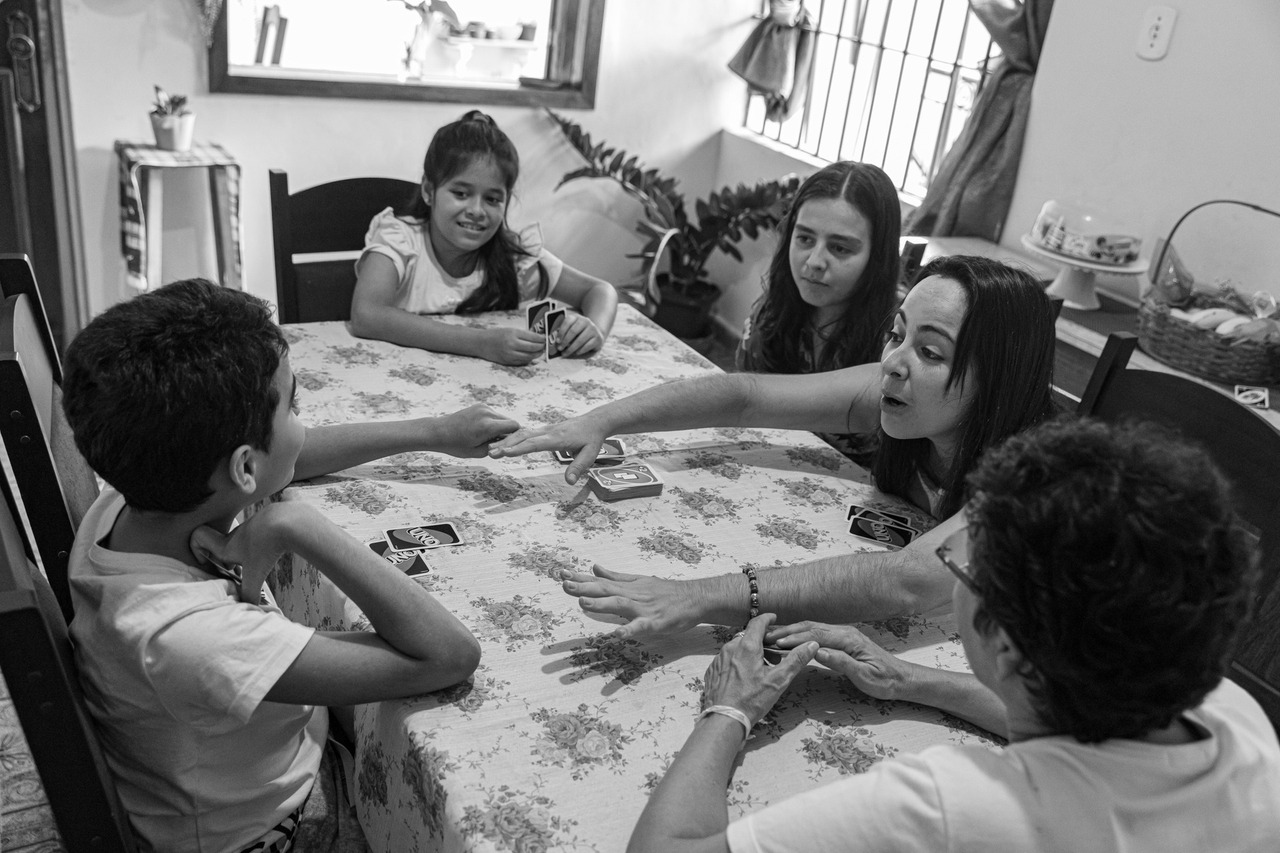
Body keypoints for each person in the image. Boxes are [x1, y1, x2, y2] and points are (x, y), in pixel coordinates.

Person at [627, 417, 1280, 853]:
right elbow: (1083, 742)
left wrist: (728, 709)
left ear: (1005, 644)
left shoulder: (959, 805)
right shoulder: (1235, 717)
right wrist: (909, 677)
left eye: (964, 564)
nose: (952, 569)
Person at [61, 279, 513, 852]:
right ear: (244, 468)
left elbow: (286, 456)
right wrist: (291, 524)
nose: (304, 420)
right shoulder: (190, 638)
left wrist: (433, 432)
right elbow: (449, 655)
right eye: (294, 404)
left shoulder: (135, 495)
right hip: (276, 830)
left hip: (232, 760)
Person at [488, 254, 1058, 632]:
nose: (892, 362)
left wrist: (703, 595)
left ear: (998, 382)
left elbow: (906, 579)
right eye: (897, 333)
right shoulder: (899, 389)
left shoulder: (1033, 478)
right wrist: (605, 420)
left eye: (930, 352)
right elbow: (746, 396)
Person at [349, 109, 618, 365]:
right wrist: (481, 343)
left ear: (506, 202)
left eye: (492, 199)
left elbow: (600, 291)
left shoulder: (516, 260)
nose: (476, 211)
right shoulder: (399, 241)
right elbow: (366, 315)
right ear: (429, 191)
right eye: (461, 194)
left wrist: (593, 329)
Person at [736, 161, 901, 464]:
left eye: (840, 248)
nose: (813, 261)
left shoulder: (899, 339)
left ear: (877, 257)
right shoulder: (771, 313)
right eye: (805, 239)